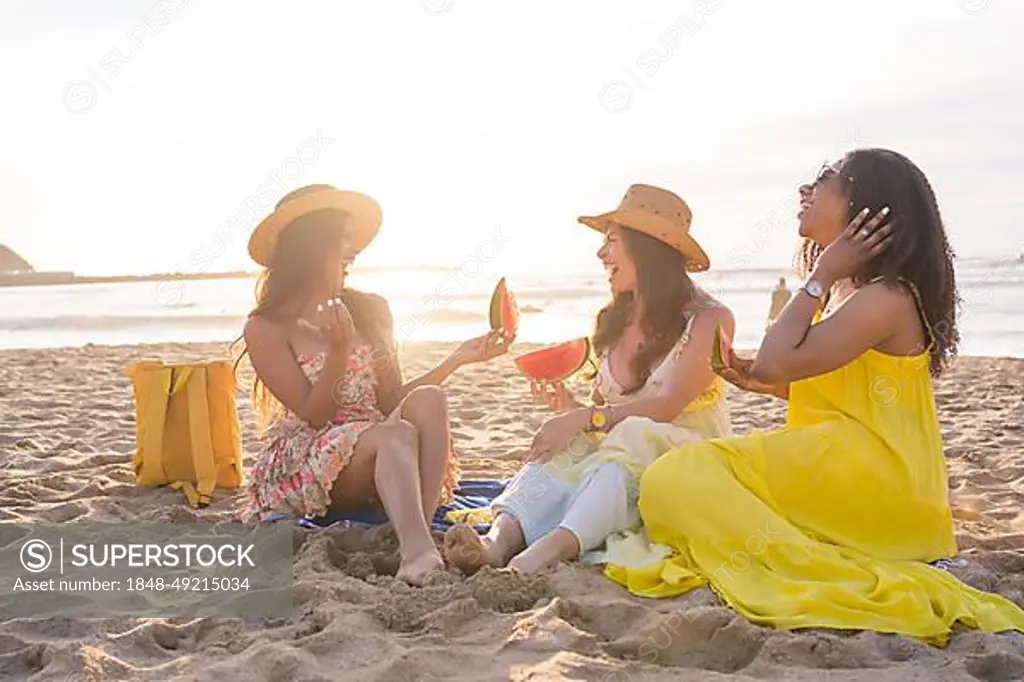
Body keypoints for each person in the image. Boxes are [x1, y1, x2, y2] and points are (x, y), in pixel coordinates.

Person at [606, 150, 1024, 642]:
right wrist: (759, 381)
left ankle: (807, 556)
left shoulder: (885, 297)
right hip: (847, 462)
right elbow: (825, 386)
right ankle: (798, 543)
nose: (805, 191)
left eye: (826, 180)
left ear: (865, 208)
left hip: (877, 479)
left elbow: (776, 359)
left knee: (676, 477)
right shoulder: (861, 294)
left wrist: (820, 276)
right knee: (681, 478)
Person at [443, 184, 735, 575]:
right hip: (622, 457)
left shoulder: (710, 319)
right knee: (564, 449)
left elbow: (665, 407)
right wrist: (571, 410)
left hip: (684, 459)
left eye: (611, 241)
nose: (601, 253)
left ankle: (544, 553)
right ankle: (496, 544)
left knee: (623, 440)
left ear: (647, 248)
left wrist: (583, 419)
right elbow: (607, 416)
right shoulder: (612, 320)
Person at [237, 184, 510, 585]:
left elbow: (391, 399)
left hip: (380, 440)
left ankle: (419, 535)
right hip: (317, 454)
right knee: (394, 435)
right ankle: (417, 555)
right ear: (311, 244)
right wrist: (337, 351)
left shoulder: (371, 309)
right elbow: (316, 415)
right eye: (343, 238)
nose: (354, 250)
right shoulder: (265, 327)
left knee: (429, 400)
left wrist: (457, 359)